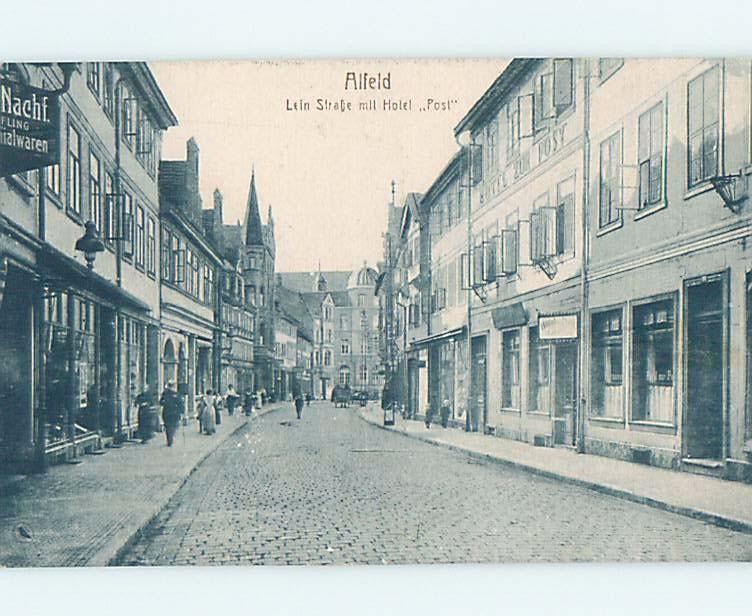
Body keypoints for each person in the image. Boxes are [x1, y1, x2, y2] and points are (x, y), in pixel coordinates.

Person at [159, 381, 182, 447]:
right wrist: (181, 412)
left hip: (167, 412)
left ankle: (169, 439)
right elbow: (180, 404)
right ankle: (170, 439)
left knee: (168, 427)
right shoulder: (176, 394)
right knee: (172, 426)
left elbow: (161, 402)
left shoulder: (165, 393)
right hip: (174, 412)